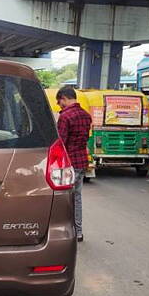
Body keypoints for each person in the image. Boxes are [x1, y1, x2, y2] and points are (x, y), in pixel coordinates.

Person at [56, 86, 92, 242]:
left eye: (60, 102)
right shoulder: (86, 116)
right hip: (81, 161)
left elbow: (61, 143)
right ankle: (78, 232)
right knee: (77, 197)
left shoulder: (65, 117)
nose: (60, 105)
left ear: (64, 98)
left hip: (67, 164)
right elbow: (85, 139)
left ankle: (64, 231)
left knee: (63, 198)